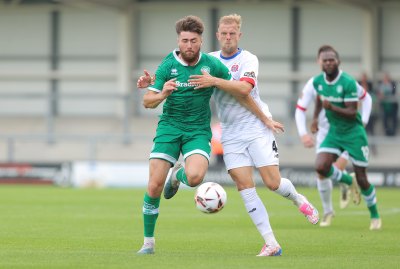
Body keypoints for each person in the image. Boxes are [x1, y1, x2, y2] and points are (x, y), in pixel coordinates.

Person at [138, 14, 320, 257]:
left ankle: (297, 199)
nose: (227, 38)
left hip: (240, 127)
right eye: (223, 34)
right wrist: (155, 87)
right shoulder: (190, 61)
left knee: (270, 183)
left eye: (231, 34)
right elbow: (154, 92)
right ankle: (271, 243)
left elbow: (244, 92)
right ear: (216, 36)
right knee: (241, 185)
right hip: (213, 131)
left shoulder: (232, 63)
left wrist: (265, 118)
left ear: (237, 35)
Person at [136, 15, 234, 255]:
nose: (188, 45)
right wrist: (162, 94)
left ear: (201, 41)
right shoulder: (167, 65)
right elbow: (147, 101)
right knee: (154, 185)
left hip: (197, 130)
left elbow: (234, 87)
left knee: (195, 177)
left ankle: (177, 176)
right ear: (178, 41)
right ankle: (148, 243)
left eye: (193, 40)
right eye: (184, 40)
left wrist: (216, 82)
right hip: (169, 127)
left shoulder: (212, 65)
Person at [310, 45, 381, 230]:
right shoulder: (317, 81)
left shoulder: (348, 82)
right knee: (320, 166)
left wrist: (332, 108)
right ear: (320, 63)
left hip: (353, 133)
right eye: (325, 60)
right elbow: (319, 99)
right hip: (334, 132)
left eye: (332, 59)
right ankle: (349, 181)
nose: (328, 63)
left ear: (338, 62)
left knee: (363, 177)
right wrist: (315, 118)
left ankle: (374, 215)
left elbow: (351, 111)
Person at [296, 67, 372, 227]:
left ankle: (346, 182)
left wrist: (363, 123)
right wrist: (303, 133)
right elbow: (300, 109)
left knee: (335, 167)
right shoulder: (314, 83)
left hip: (347, 131)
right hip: (326, 133)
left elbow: (367, 98)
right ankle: (329, 210)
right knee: (321, 172)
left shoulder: (346, 81)